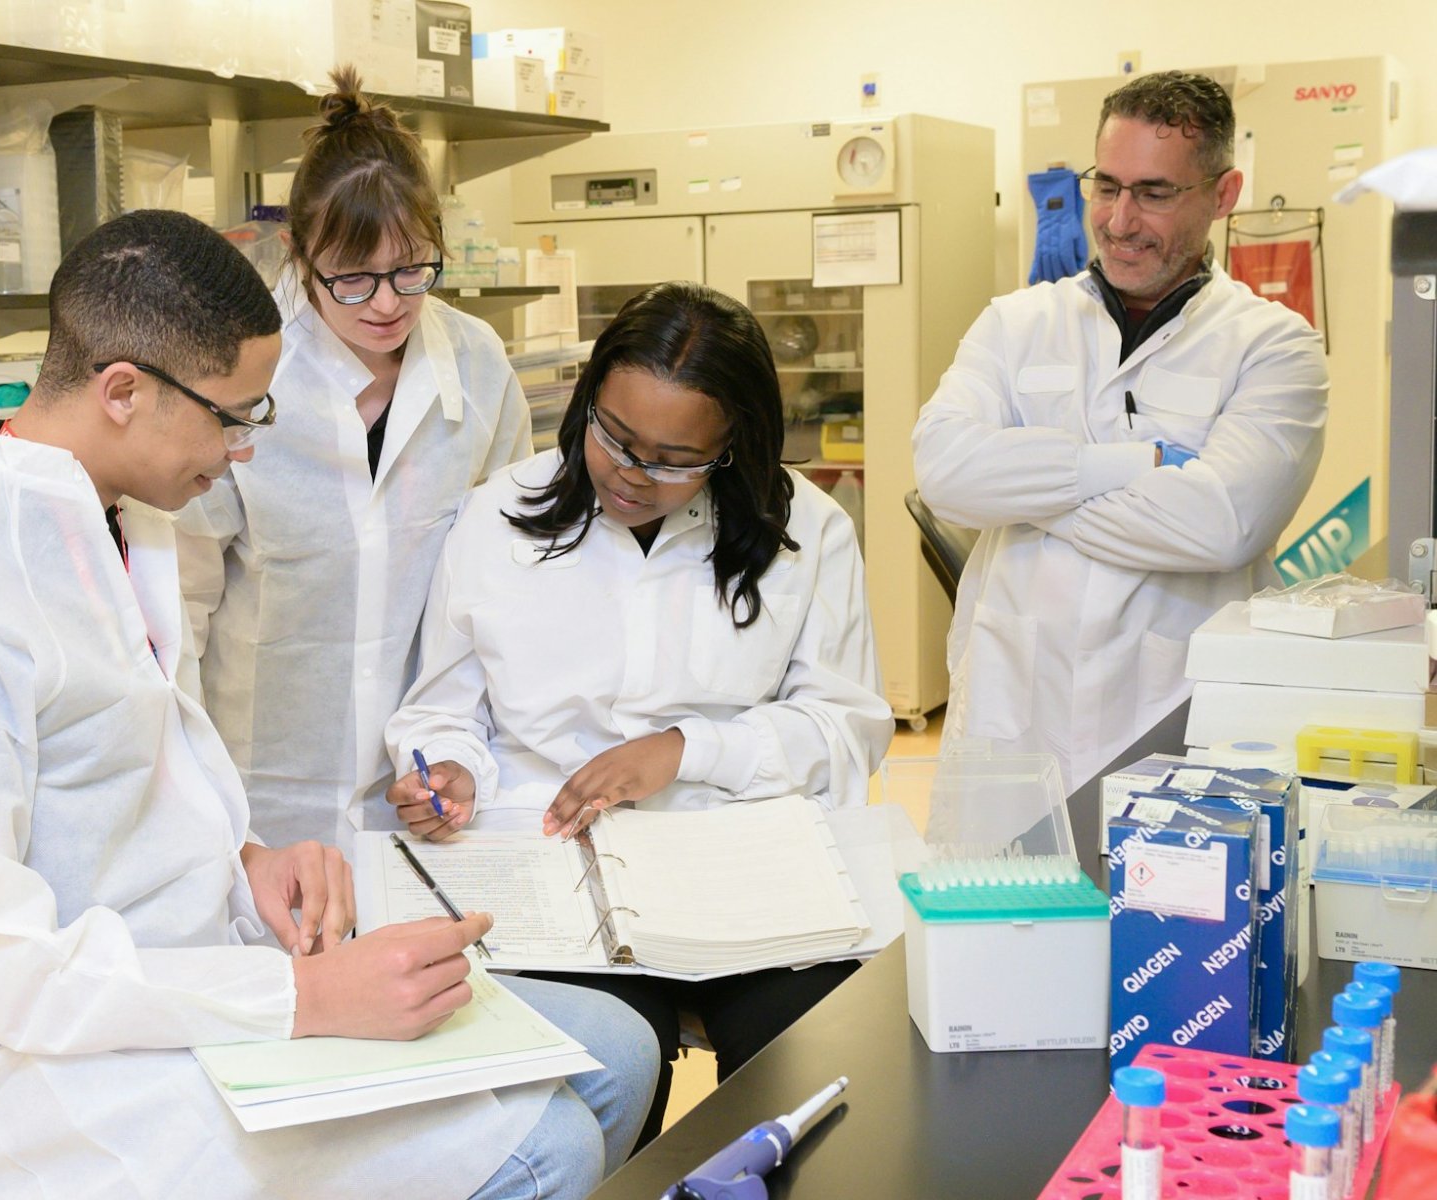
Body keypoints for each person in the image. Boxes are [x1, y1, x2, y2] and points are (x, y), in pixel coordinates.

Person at [0, 210, 656, 1200]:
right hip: (29, 1073)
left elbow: (113, 801)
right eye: (234, 416)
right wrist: (302, 996)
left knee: (615, 1052)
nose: (245, 449)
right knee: (552, 1147)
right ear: (123, 393)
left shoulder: (119, 523)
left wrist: (248, 864)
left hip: (173, 977)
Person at [382, 281, 895, 1147]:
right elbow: (442, 709)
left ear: (734, 448)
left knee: (813, 1080)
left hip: (738, 874)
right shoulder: (497, 516)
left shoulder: (808, 529)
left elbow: (845, 728)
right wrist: (446, 768)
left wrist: (687, 750)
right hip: (557, 879)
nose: (630, 473)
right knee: (601, 1087)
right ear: (587, 400)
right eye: (613, 437)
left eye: (673, 459)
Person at [912, 70, 1328, 794]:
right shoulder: (1016, 324)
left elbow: (1219, 525)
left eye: (1155, 193)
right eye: (1106, 186)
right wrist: (1134, 468)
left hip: (1175, 709)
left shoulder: (1276, 347)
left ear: (1224, 195)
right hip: (1018, 706)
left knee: (1170, 901)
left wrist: (1025, 494)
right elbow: (946, 475)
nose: (1118, 219)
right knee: (1006, 901)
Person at [178, 67, 532, 855]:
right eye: (354, 277)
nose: (386, 303)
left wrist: (461, 751)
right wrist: (190, 801)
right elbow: (180, 611)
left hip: (421, 788)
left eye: (412, 270)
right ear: (301, 254)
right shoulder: (240, 373)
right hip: (257, 799)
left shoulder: (475, 367)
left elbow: (501, 584)